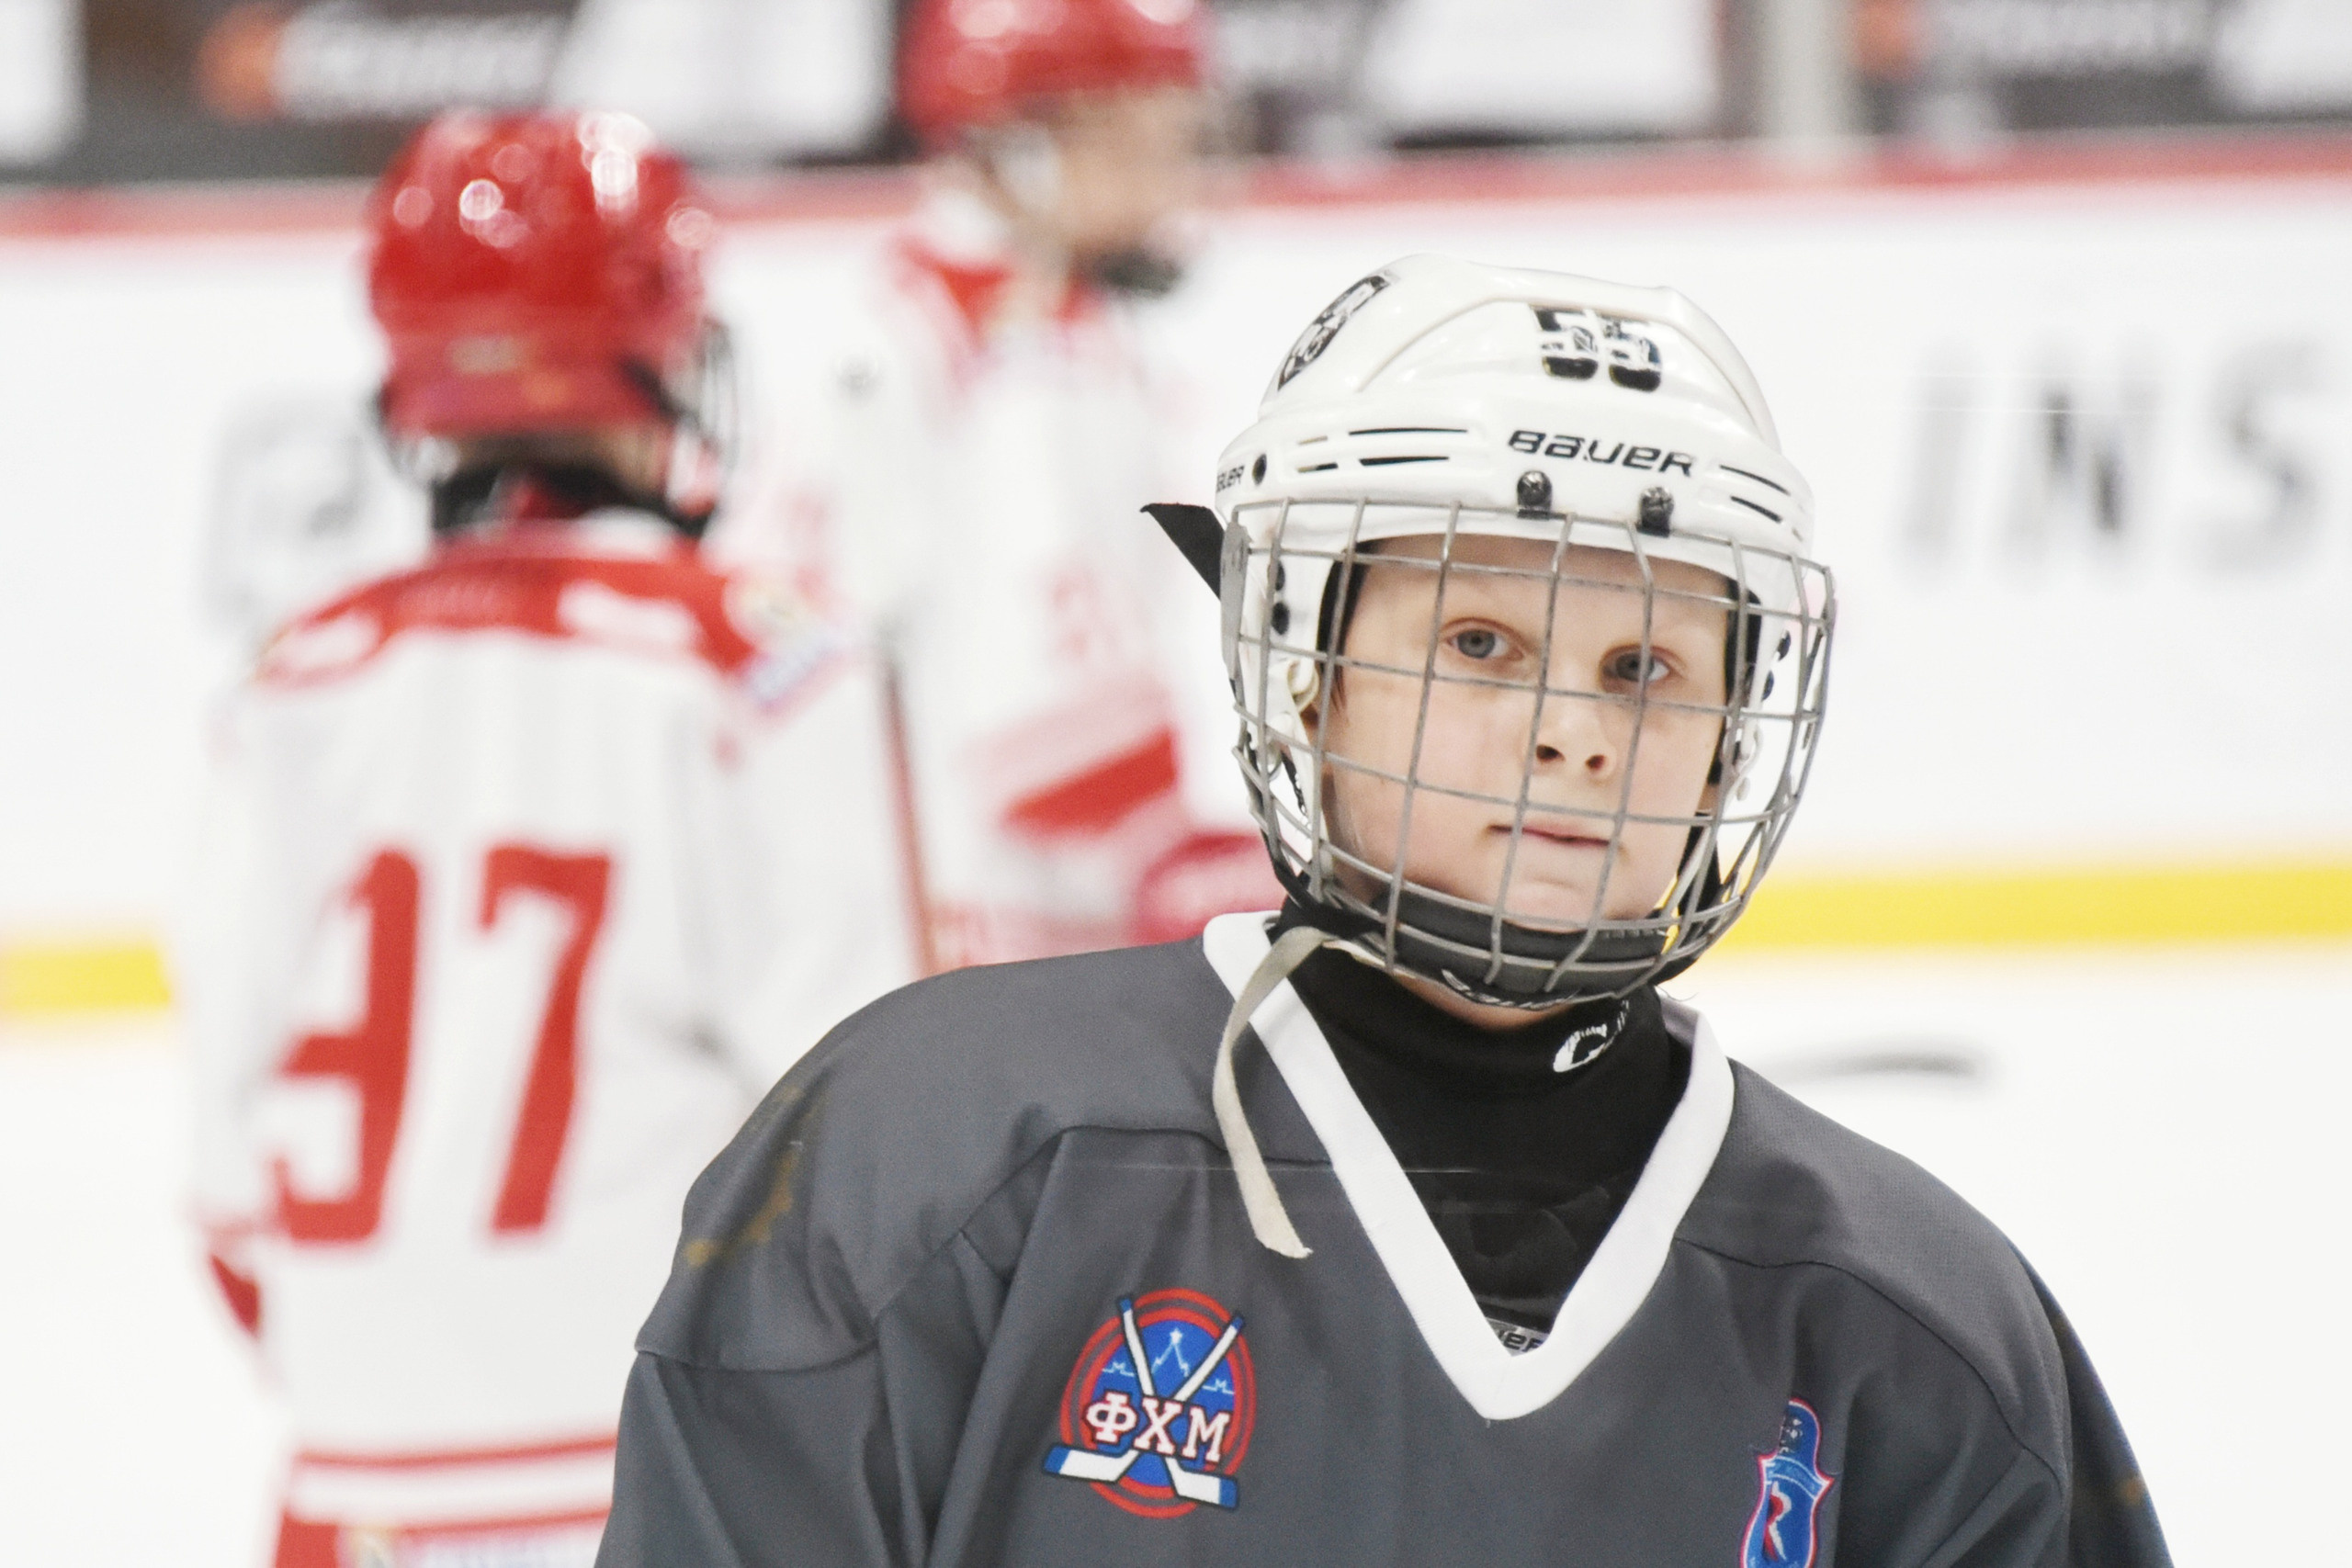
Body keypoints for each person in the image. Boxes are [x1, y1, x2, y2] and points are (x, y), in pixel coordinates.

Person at [596, 254, 2175, 1567]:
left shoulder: (1919, 1327)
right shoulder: (932, 1164)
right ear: (1306, 672)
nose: (1577, 732)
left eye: (1648, 667)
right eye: (1482, 643)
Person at [182, 110, 911, 1568]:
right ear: (651, 354)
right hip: (661, 1472)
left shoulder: (298, 678)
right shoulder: (764, 668)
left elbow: (224, 1153)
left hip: (356, 1483)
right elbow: (865, 1139)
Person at [718, 0, 1275, 974]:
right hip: (989, 913)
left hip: (893, 897)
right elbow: (1058, 751)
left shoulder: (919, 311)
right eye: (1145, 139)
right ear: (1025, 151)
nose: (1173, 178)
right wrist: (1188, 867)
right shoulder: (1020, 348)